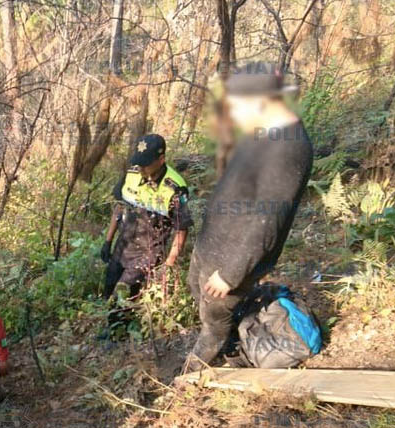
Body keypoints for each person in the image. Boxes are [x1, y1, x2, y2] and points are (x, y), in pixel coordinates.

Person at [184, 63, 314, 371]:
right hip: (212, 247)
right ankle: (235, 340)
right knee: (201, 298)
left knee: (213, 325)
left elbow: (267, 222)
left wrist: (230, 274)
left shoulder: (289, 148)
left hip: (229, 260)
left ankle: (191, 378)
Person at [100, 133, 192, 333]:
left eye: (146, 164)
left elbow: (181, 228)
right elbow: (119, 207)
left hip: (149, 251)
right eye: (139, 163)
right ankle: (113, 326)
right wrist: (108, 240)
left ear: (161, 160)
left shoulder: (175, 188)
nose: (141, 168)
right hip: (124, 244)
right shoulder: (132, 173)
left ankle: (117, 336)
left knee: (122, 294)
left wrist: (169, 263)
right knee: (109, 288)